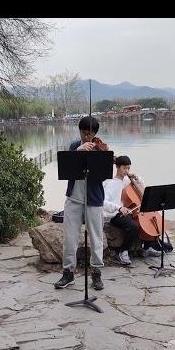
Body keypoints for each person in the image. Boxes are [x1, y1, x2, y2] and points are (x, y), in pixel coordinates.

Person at [54, 115, 106, 291]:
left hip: (94, 199)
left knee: (96, 238)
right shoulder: (74, 146)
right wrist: (79, 152)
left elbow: (104, 175)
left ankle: (96, 272)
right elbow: (67, 170)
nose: (86, 137)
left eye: (89, 133)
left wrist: (100, 155)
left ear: (95, 133)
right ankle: (68, 273)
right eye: (83, 133)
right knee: (69, 238)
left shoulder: (100, 148)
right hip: (74, 198)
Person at [102, 155, 162, 265]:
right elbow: (103, 202)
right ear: (117, 167)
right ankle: (122, 251)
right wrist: (119, 208)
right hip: (115, 214)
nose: (127, 171)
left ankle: (147, 248)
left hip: (129, 211)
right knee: (133, 226)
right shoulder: (109, 183)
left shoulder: (127, 181)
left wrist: (136, 178)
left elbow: (142, 190)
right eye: (124, 168)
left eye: (128, 168)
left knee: (150, 222)